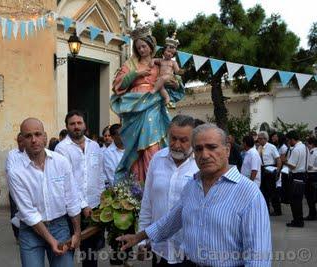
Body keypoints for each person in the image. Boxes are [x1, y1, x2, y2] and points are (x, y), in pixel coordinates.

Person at [117, 124, 271, 266]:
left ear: (227, 149)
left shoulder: (249, 193)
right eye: (198, 149)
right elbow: (170, 222)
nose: (204, 155)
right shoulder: (192, 186)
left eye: (212, 147)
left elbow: (258, 257)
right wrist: (138, 237)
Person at [110, 22, 185, 183]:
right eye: (138, 47)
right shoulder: (130, 64)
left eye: (144, 46)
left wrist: (174, 82)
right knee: (134, 149)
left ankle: (154, 183)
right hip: (134, 107)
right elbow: (118, 85)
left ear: (151, 45)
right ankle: (137, 186)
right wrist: (135, 73)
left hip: (154, 104)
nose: (141, 50)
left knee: (152, 146)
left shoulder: (159, 62)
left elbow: (173, 79)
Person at [7, 118, 81, 267]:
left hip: (60, 227)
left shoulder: (61, 162)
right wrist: (51, 240)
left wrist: (77, 232)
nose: (34, 140)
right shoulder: (15, 172)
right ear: (21, 140)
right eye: (28, 136)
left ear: (45, 136)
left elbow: (72, 199)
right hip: (30, 230)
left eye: (38, 134)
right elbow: (28, 213)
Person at [139, 115, 199, 266]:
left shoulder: (201, 164)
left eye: (184, 140)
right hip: (160, 251)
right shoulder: (157, 159)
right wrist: (142, 240)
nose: (177, 145)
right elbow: (147, 203)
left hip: (190, 253)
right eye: (173, 138)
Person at [55, 110, 105, 267]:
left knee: (90, 252)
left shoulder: (95, 146)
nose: (76, 126)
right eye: (72, 124)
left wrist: (103, 199)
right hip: (72, 209)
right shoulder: (61, 149)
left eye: (79, 123)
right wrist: (84, 205)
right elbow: (68, 182)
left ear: (85, 125)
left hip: (95, 207)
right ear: (67, 127)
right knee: (69, 248)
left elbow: (100, 174)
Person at [283, 130, 308, 227]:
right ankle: (299, 220)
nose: (289, 143)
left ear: (293, 139)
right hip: (303, 175)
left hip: (296, 176)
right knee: (298, 199)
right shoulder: (304, 147)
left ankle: (297, 221)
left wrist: (284, 161)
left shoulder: (296, 149)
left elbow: (292, 166)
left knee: (295, 201)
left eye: (289, 140)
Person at [150, 34, 184, 105]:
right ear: (164, 51)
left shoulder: (173, 62)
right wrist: (152, 63)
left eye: (172, 53)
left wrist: (181, 71)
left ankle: (154, 90)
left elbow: (177, 71)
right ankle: (166, 97)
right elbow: (153, 60)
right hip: (161, 79)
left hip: (170, 77)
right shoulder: (161, 60)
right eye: (168, 51)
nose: (170, 54)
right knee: (160, 86)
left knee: (162, 79)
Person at [5, 133, 25, 241]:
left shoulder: (32, 154)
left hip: (29, 190)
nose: (20, 144)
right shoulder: (12, 154)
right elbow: (10, 171)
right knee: (14, 213)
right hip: (15, 189)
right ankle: (17, 235)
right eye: (18, 141)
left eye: (22, 141)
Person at [258, 131, 282, 216]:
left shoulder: (271, 147)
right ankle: (266, 209)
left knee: (272, 191)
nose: (259, 140)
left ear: (265, 139)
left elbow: (278, 159)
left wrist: (278, 171)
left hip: (270, 168)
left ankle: (277, 210)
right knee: (264, 191)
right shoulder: (259, 148)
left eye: (260, 139)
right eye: (258, 138)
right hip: (262, 168)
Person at [304, 136, 317, 220]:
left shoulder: (312, 152)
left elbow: (309, 166)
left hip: (312, 175)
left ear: (311, 144)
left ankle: (312, 215)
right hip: (314, 175)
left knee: (310, 197)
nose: (306, 145)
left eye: (307, 143)